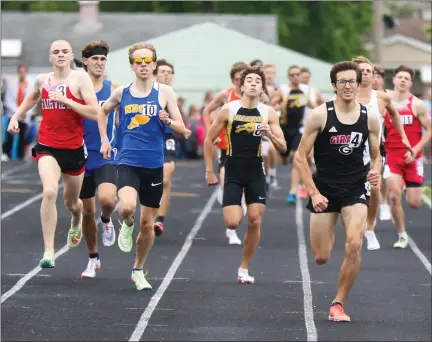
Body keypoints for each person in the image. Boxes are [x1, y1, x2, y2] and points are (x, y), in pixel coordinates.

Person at [294, 61, 381, 322]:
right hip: (324, 188)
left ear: (358, 83)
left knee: (354, 244)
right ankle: (329, 268)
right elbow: (300, 157)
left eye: (351, 81)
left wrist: (376, 170)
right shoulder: (320, 115)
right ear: (334, 85)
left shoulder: (370, 117)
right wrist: (313, 193)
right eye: (342, 81)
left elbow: (377, 155)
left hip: (355, 185)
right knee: (321, 256)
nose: (347, 86)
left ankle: (338, 303)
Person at [98, 42, 186, 290]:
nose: (144, 65)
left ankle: (138, 269)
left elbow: (182, 128)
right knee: (126, 207)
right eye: (139, 61)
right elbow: (102, 112)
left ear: (154, 64)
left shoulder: (165, 93)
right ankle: (126, 223)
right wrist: (105, 140)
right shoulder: (122, 92)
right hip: (127, 160)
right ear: (132, 66)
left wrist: (169, 120)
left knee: (148, 224)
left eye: (148, 61)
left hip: (154, 164)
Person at [7, 40, 99, 268]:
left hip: (74, 148)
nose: (60, 55)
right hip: (47, 145)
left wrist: (67, 100)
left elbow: (95, 112)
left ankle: (76, 218)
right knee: (49, 192)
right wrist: (15, 116)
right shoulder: (42, 79)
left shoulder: (80, 79)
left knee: (72, 203)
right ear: (50, 57)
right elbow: (33, 96)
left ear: (71, 56)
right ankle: (49, 252)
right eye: (56, 52)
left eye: (64, 51)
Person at [204, 66, 287, 284]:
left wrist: (269, 133)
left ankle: (244, 268)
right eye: (248, 80)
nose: (252, 83)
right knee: (232, 223)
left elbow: (283, 147)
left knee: (255, 220)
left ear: (262, 88)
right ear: (241, 86)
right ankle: (237, 204)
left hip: (255, 170)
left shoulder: (268, 113)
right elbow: (208, 139)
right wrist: (209, 171)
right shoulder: (228, 109)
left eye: (257, 81)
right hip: (232, 168)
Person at [352, 56, 412, 251]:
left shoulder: (381, 97)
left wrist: (402, 136)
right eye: (363, 70)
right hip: (350, 151)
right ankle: (355, 226)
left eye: (370, 71)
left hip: (375, 150)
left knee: (375, 187)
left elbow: (394, 114)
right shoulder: (347, 95)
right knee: (353, 192)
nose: (367, 74)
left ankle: (369, 227)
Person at [78, 40, 119, 279]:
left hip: (105, 154)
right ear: (85, 61)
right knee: (86, 210)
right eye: (95, 58)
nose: (100, 63)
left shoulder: (114, 88)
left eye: (103, 59)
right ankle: (93, 258)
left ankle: (107, 220)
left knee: (107, 200)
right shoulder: (76, 88)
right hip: (79, 155)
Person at [385, 65, 431, 249]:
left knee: (413, 203)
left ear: (411, 83)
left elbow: (429, 129)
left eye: (407, 78)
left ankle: (411, 187)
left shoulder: (417, 104)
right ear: (394, 80)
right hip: (391, 156)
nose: (403, 80)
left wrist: (416, 148)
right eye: (400, 77)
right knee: (394, 197)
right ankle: (402, 235)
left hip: (413, 158)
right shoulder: (385, 102)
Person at [202, 62, 248, 245]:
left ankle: (237, 209)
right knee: (228, 186)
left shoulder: (256, 96)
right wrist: (210, 133)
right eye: (237, 79)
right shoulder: (226, 95)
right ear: (232, 80)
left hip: (249, 152)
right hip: (226, 149)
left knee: (248, 202)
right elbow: (206, 111)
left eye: (243, 78)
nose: (240, 82)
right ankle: (231, 231)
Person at [152, 59, 191, 236]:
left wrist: (183, 129)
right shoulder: (147, 91)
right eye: (162, 71)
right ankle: (149, 215)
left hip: (167, 138)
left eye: (169, 72)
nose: (166, 74)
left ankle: (159, 220)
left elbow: (180, 120)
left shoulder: (172, 95)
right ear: (155, 73)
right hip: (148, 139)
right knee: (148, 180)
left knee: (166, 179)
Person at [273, 65, 314, 204]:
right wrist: (278, 106)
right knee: (284, 160)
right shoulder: (283, 90)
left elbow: (313, 105)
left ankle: (292, 191)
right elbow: (272, 104)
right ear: (289, 76)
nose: (295, 77)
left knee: (297, 156)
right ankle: (286, 157)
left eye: (297, 74)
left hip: (299, 129)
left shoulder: (306, 90)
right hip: (284, 128)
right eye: (292, 75)